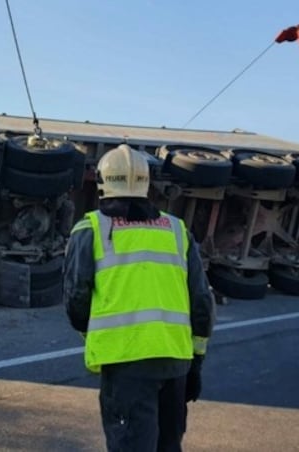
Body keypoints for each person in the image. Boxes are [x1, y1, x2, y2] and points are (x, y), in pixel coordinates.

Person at [63, 144, 215, 452]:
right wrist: (196, 362)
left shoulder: (90, 228)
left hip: (125, 365)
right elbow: (200, 301)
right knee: (168, 446)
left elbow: (77, 298)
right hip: (175, 363)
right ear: (146, 184)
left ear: (104, 183)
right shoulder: (176, 230)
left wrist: (93, 335)